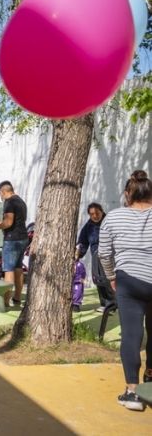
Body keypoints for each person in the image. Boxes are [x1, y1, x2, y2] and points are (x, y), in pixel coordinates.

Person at [98, 170, 152, 412]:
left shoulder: (114, 217)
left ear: (127, 194)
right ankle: (150, 377)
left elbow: (104, 253)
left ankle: (132, 392)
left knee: (132, 335)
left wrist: (111, 276)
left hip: (129, 281)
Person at [0, 181, 27, 307]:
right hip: (23, 238)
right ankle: (17, 298)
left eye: (0, 194)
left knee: (8, 270)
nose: (0, 197)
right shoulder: (21, 201)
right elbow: (14, 221)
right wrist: (1, 223)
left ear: (4, 192)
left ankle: (5, 302)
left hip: (12, 240)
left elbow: (9, 222)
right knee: (18, 268)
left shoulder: (9, 202)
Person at [76, 203, 113, 312]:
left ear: (102, 211)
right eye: (92, 214)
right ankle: (104, 303)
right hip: (96, 256)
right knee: (98, 279)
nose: (95, 216)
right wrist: (78, 253)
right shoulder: (88, 227)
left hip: (110, 256)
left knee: (109, 279)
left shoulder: (109, 222)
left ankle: (112, 303)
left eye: (97, 213)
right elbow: (82, 242)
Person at [72, 248, 86, 313]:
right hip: (72, 282)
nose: (75, 256)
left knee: (78, 292)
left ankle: (76, 305)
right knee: (72, 292)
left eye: (76, 255)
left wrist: (82, 279)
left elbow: (83, 273)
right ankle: (72, 303)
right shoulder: (70, 264)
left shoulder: (80, 265)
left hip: (78, 282)